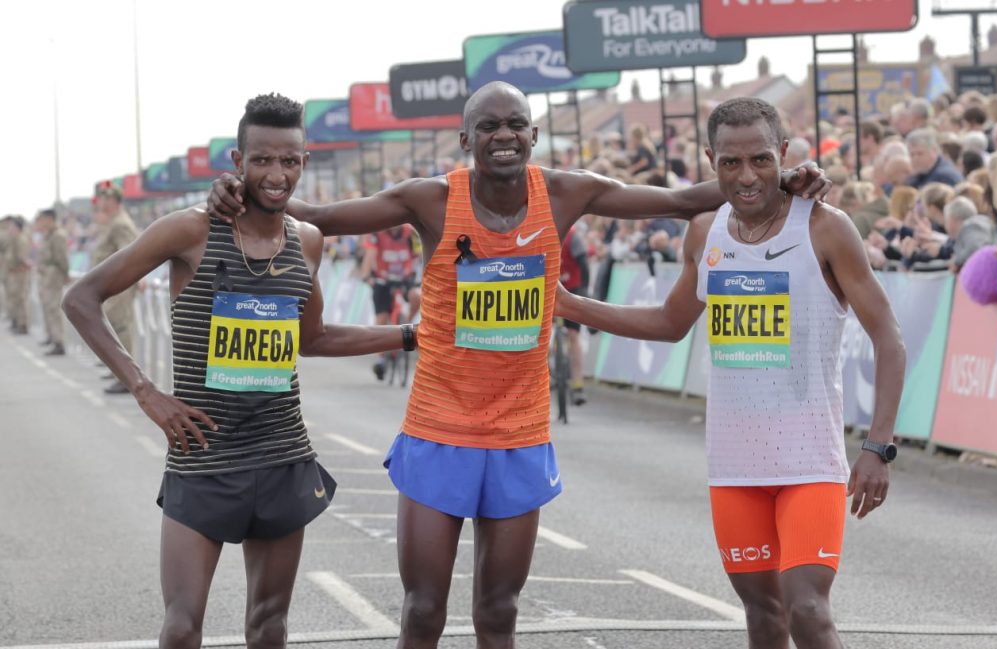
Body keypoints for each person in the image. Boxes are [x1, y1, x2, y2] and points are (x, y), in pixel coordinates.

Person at [207, 81, 831, 649]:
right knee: (423, 610)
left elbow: (677, 199)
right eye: (488, 126)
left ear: (533, 135)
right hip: (438, 429)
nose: (503, 135)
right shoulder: (431, 199)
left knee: (499, 610)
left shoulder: (565, 192)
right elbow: (319, 219)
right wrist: (244, 195)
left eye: (516, 124)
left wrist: (785, 181)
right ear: (466, 139)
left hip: (520, 433)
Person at [555, 97, 905, 649]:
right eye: (731, 163)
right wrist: (570, 305)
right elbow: (671, 323)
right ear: (709, 160)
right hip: (734, 467)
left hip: (808, 462)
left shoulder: (825, 229)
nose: (748, 177)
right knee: (763, 616)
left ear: (784, 155)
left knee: (808, 610)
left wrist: (878, 447)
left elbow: (890, 336)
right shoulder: (704, 232)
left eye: (763, 160)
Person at [63, 93, 409, 649]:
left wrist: (413, 335)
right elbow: (81, 297)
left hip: (281, 454)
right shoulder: (189, 231)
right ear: (238, 161)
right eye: (263, 160)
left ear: (304, 161)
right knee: (181, 628)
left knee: (269, 627)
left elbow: (314, 338)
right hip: (203, 454)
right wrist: (145, 391)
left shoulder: (309, 242)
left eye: (289, 161)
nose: (277, 174)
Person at [90, 182, 140, 393]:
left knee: (120, 328)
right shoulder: (113, 223)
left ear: (112, 200)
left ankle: (126, 378)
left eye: (104, 198)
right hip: (114, 283)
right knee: (115, 327)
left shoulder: (120, 224)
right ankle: (118, 373)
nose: (101, 202)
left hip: (121, 284)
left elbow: (128, 255)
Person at [360, 223, 422, 380]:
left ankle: (406, 323)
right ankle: (381, 359)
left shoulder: (410, 233)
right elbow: (370, 255)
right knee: (382, 317)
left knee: (416, 296)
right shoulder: (377, 233)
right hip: (383, 280)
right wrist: (367, 275)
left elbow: (421, 254)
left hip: (406, 278)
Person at [559, 223, 590, 406]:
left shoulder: (573, 237)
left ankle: (578, 384)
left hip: (572, 289)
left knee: (573, 336)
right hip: (550, 290)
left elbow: (584, 264)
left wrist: (585, 290)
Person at [34, 208, 70, 355]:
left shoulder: (58, 235)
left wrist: (65, 273)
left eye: (43, 219)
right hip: (47, 275)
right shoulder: (48, 235)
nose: (41, 222)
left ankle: (59, 341)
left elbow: (62, 258)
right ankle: (53, 337)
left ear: (50, 219)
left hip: (54, 275)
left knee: (54, 308)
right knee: (48, 307)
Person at [4, 215, 31, 335]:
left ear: (17, 228)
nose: (9, 229)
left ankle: (23, 325)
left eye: (11, 227)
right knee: (16, 299)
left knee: (21, 300)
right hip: (14, 273)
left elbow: (23, 258)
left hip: (20, 273)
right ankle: (18, 323)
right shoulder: (14, 239)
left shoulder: (21, 239)